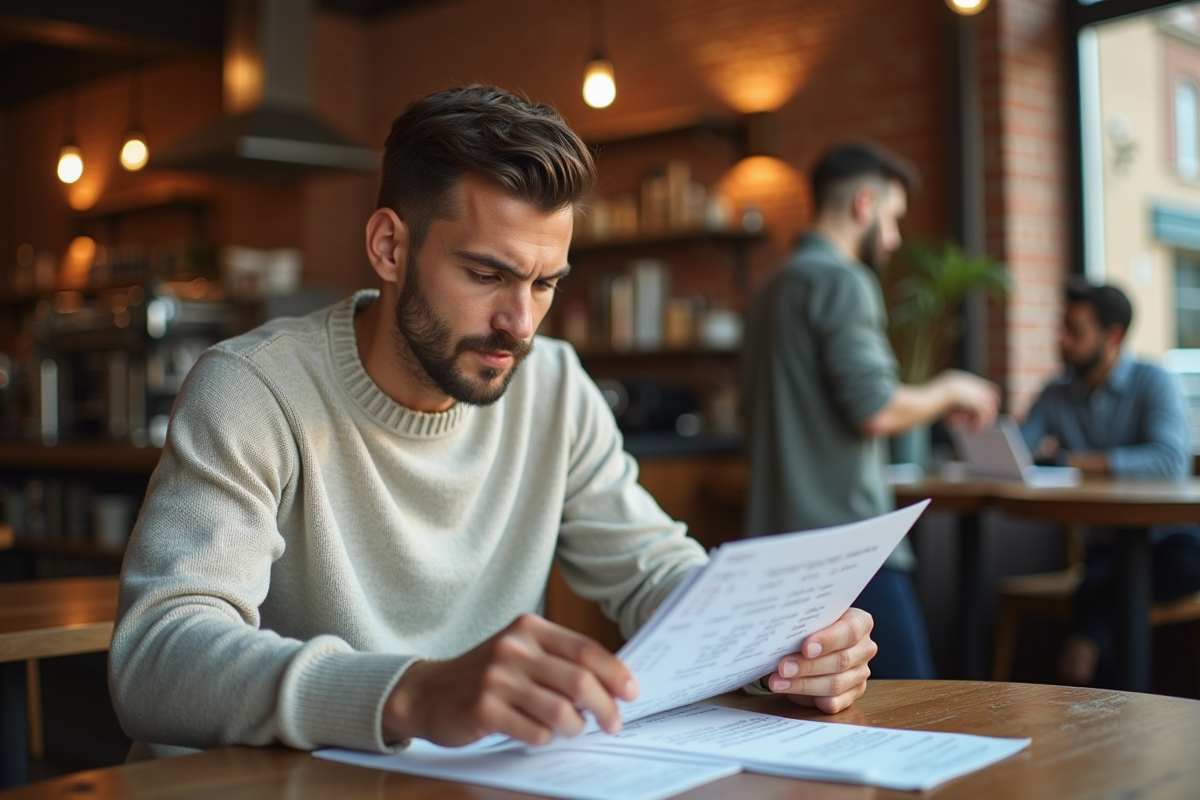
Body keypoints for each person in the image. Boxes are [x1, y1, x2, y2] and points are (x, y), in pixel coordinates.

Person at [109, 86, 878, 759]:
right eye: (486, 275)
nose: (519, 322)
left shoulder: (555, 387)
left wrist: (780, 642)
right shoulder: (253, 390)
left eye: (545, 282)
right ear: (389, 247)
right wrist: (411, 693)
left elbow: (651, 572)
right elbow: (155, 658)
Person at [740, 142, 1000, 679]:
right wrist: (951, 389)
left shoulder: (771, 287)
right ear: (864, 203)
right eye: (893, 217)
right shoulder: (842, 279)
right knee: (915, 715)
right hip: (849, 551)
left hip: (772, 554)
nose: (895, 237)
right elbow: (875, 408)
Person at [1021, 278, 1200, 685]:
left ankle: (1086, 651)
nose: (1062, 340)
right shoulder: (1057, 393)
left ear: (1113, 336)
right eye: (1062, 328)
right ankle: (1116, 713)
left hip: (1175, 544)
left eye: (1075, 331)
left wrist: (1071, 461)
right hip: (1105, 551)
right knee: (1105, 578)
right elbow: (1020, 452)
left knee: (1103, 592)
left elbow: (1170, 461)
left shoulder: (1153, 380)